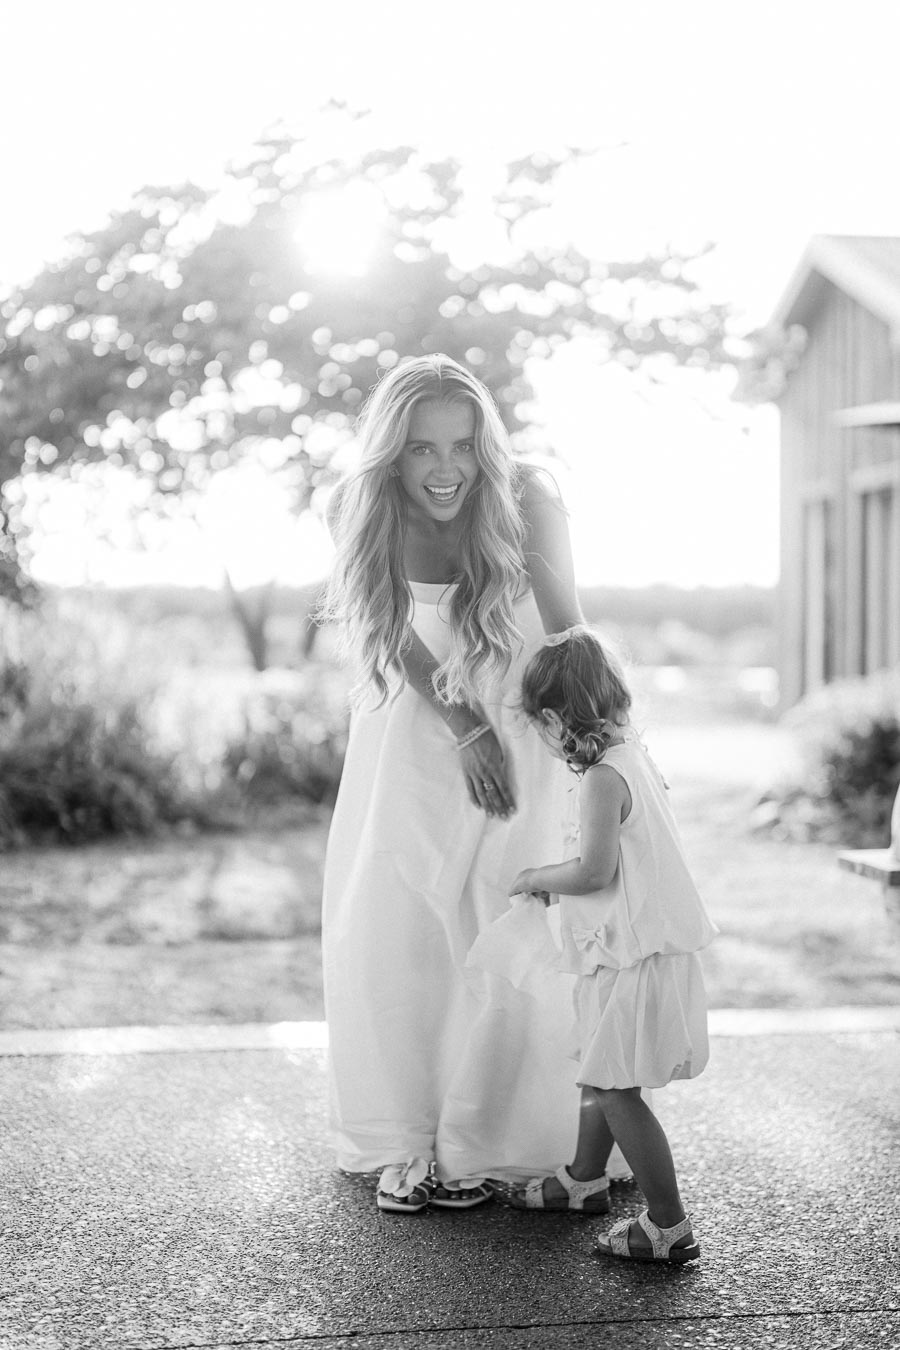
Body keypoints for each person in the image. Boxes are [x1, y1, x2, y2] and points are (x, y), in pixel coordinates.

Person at [319, 352, 592, 1213]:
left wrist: (599, 749)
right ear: (390, 452)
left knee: (500, 926)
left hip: (519, 733)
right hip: (411, 729)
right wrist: (460, 725)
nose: (446, 470)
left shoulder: (529, 496)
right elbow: (386, 623)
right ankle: (408, 1140)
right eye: (422, 450)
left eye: (463, 446)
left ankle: (487, 1138)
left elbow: (568, 631)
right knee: (395, 927)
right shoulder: (356, 504)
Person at [505, 625, 717, 1263]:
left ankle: (668, 1226)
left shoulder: (601, 778)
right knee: (601, 1073)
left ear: (551, 718)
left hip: (632, 960)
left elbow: (594, 872)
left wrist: (537, 878)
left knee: (617, 1088)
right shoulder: (636, 758)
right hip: (622, 952)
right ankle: (583, 1179)